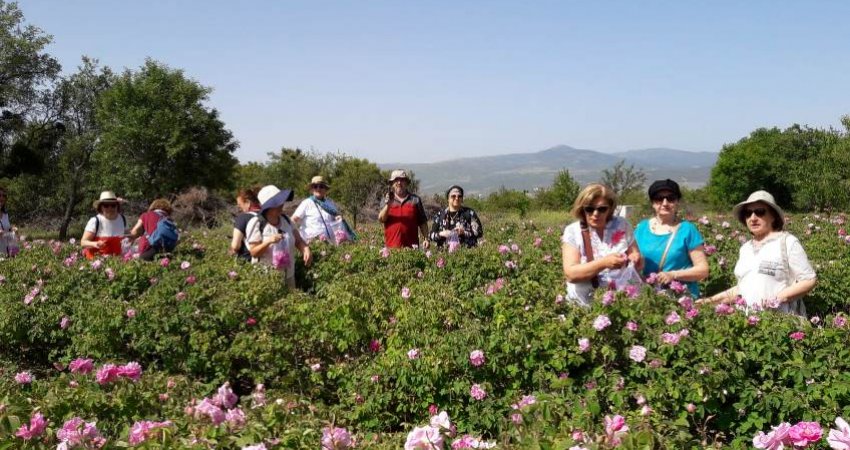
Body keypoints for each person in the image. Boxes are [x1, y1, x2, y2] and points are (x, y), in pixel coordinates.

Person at [698, 190, 816, 315]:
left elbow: (809, 280)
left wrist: (778, 298)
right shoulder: (745, 249)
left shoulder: (787, 242)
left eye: (760, 212)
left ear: (773, 216)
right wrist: (709, 301)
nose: (753, 218)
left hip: (780, 320)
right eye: (748, 213)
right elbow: (741, 289)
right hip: (749, 322)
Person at [562, 183, 643, 306]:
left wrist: (635, 258)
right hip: (584, 306)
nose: (595, 213)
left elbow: (634, 252)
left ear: (610, 209)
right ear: (582, 209)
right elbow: (571, 274)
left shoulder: (622, 225)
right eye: (589, 209)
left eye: (602, 209)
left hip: (621, 302)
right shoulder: (573, 231)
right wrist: (603, 263)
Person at [634, 179, 709, 297]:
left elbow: (703, 270)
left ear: (677, 202)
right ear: (652, 203)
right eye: (659, 198)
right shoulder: (641, 228)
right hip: (648, 297)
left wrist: (673, 275)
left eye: (670, 198)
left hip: (680, 297)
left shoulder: (687, 230)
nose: (665, 203)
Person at [246, 185, 312, 288]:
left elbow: (298, 240)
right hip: (267, 278)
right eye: (276, 203)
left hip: (289, 274)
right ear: (268, 207)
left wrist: (305, 249)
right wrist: (268, 242)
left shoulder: (286, 220)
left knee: (291, 297)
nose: (281, 205)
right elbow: (254, 252)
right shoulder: (257, 223)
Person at [291, 176, 355, 244]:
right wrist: (296, 237)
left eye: (321, 186)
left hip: (330, 244)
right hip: (312, 244)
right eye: (315, 186)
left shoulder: (330, 204)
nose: (318, 188)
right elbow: (293, 220)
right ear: (312, 189)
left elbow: (336, 219)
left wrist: (338, 219)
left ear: (325, 189)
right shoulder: (306, 203)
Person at [378, 170, 430, 249]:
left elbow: (422, 222)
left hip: (412, 250)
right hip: (391, 249)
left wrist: (426, 239)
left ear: (406, 183)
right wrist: (388, 205)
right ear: (392, 184)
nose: (399, 183)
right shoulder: (386, 200)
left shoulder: (415, 200)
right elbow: (381, 219)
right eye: (396, 180)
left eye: (402, 180)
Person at [81, 191, 129, 259]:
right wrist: (95, 244)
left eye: (113, 205)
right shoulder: (95, 221)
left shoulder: (123, 219)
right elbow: (83, 242)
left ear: (117, 206)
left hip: (117, 261)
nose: (110, 208)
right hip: (97, 261)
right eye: (106, 206)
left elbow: (127, 237)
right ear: (101, 207)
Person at [229, 187, 262, 261]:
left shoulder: (243, 218)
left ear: (247, 202)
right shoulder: (267, 215)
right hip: (268, 260)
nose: (239, 208)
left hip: (248, 261)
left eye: (240, 204)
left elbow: (235, 246)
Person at [0, 186, 18, 257]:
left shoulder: (5, 214)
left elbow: (8, 228)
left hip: (6, 253)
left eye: (3, 196)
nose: (1, 198)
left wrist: (13, 228)